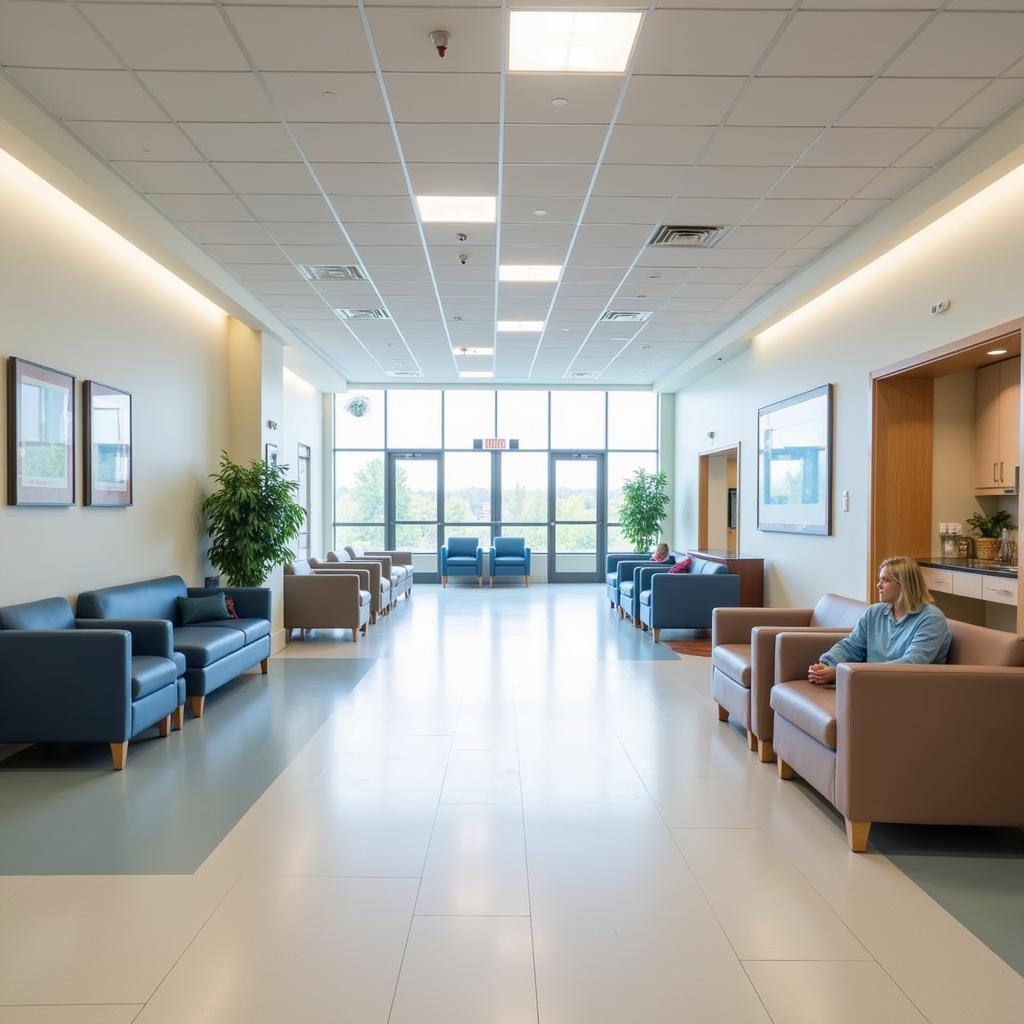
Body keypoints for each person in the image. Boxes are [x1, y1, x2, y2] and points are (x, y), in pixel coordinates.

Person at [807, 556, 952, 685]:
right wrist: (825, 664)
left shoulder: (931, 619)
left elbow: (912, 664)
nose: (878, 585)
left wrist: (843, 672)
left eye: (885, 580)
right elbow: (851, 646)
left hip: (909, 688)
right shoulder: (874, 612)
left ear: (905, 585)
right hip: (870, 682)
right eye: (880, 579)